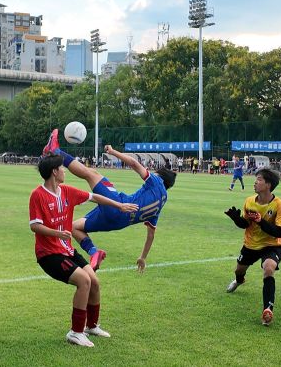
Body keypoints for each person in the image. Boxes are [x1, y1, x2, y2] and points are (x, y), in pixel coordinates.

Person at [29, 154, 138, 347]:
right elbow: (35, 226)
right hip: (49, 254)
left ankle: (91, 326)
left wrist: (119, 205)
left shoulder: (66, 191)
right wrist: (57, 233)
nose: (64, 171)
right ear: (54, 172)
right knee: (84, 281)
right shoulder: (38, 195)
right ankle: (75, 332)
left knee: (94, 282)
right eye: (62, 168)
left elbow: (94, 197)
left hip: (67, 250)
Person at [43, 130, 177, 272]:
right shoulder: (161, 203)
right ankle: (94, 252)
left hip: (118, 206)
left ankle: (55, 152)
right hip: (117, 223)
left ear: (161, 176)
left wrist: (113, 152)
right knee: (74, 227)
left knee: (91, 174)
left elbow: (134, 163)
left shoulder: (157, 181)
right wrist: (143, 257)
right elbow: (151, 235)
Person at [224, 168, 281, 326]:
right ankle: (239, 280)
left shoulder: (279, 205)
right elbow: (246, 224)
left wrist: (261, 221)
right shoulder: (249, 201)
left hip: (272, 245)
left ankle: (268, 310)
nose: (255, 182)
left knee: (269, 268)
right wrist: (236, 219)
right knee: (239, 270)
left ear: (268, 185)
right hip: (251, 244)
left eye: (259, 179)